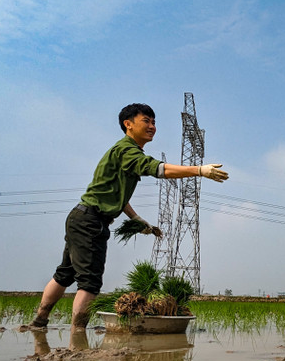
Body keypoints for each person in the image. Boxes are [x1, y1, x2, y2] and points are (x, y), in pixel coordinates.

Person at [25, 103, 229, 332]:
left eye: (154, 122)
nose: (152, 126)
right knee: (90, 282)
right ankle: (77, 336)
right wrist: (199, 170)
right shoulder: (126, 150)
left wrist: (137, 220)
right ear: (128, 124)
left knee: (65, 274)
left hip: (82, 217)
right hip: (90, 221)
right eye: (146, 121)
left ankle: (39, 322)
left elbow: (117, 197)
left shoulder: (125, 153)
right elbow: (158, 169)